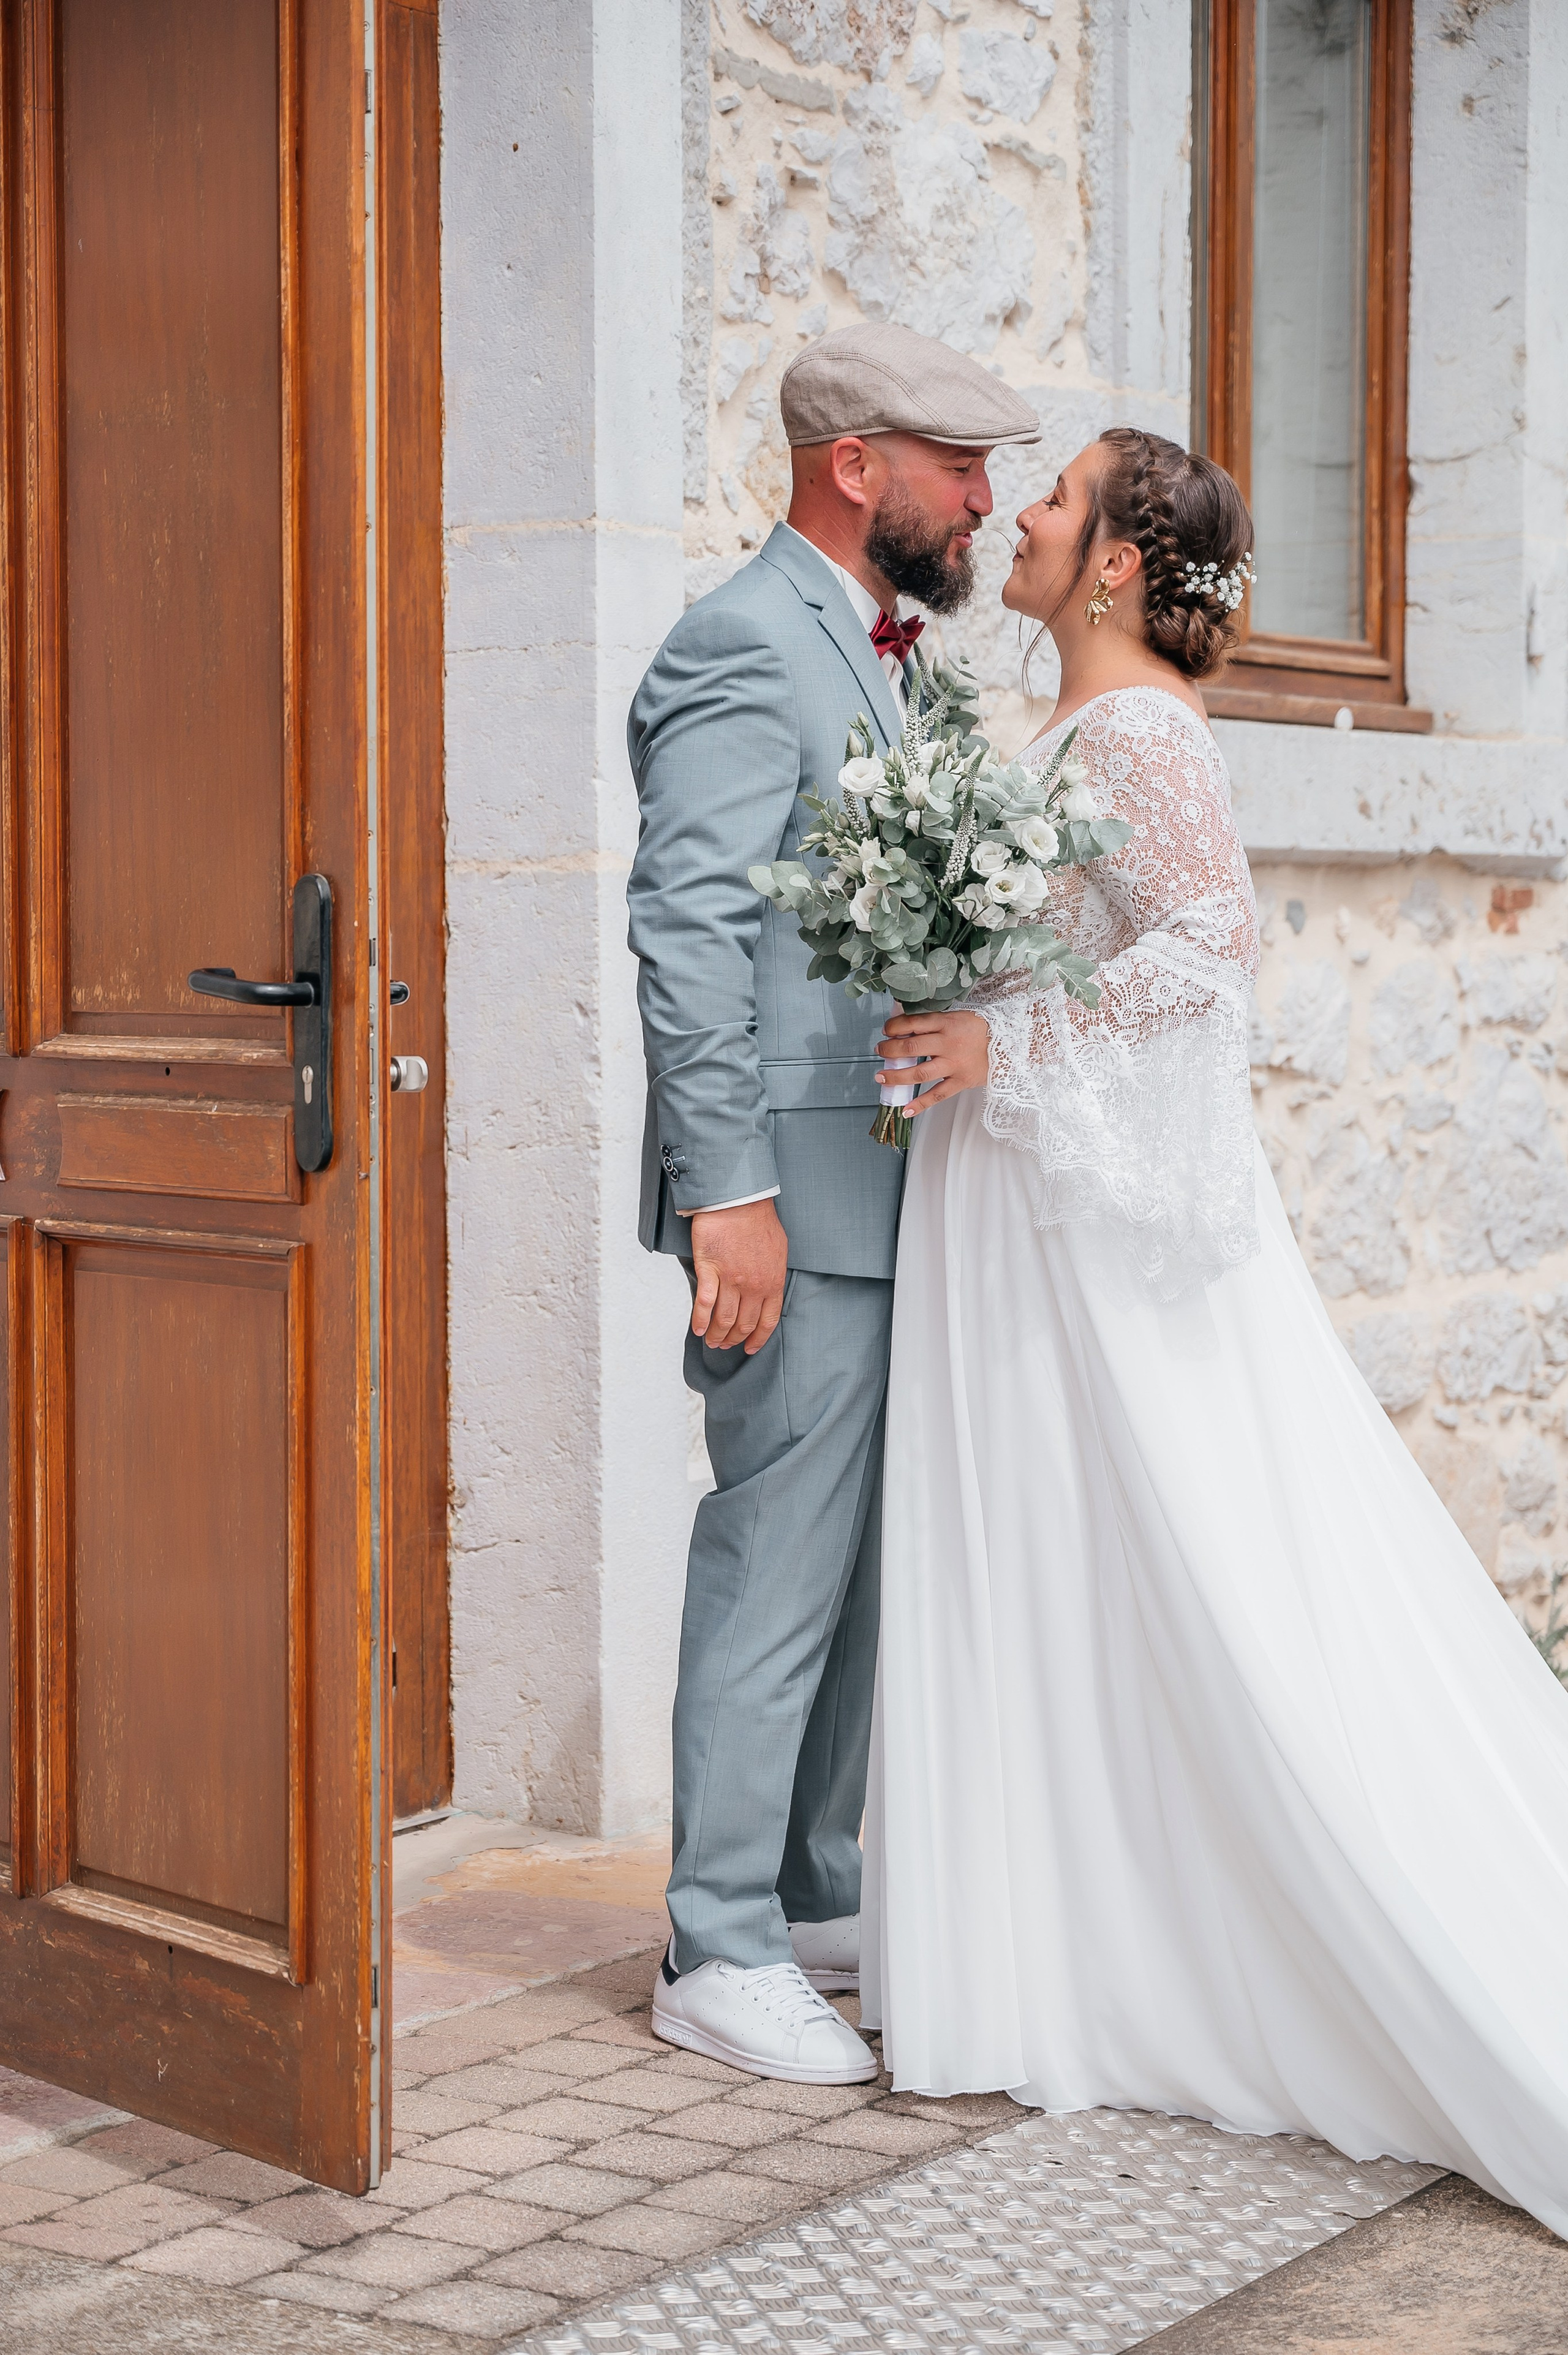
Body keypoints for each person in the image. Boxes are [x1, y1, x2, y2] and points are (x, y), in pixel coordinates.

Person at [861, 425, 1568, 2235]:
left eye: (1055, 497)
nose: (1015, 513)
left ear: (1112, 565)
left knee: (1185, 1569)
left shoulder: (1142, 735)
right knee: (1073, 1573)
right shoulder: (1086, 732)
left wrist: (1000, 1036)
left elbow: (1213, 942)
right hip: (1022, 1205)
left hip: (1079, 1227)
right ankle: (1054, 1936)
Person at [625, 324, 1042, 2083]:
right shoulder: (738, 638)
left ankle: (808, 1889)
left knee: (865, 1579)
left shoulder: (890, 657)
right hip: (787, 1201)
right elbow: (689, 928)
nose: (985, 499)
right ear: (856, 464)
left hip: (896, 1201)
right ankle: (710, 1938)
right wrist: (729, 1194)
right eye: (958, 463)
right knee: (777, 1564)